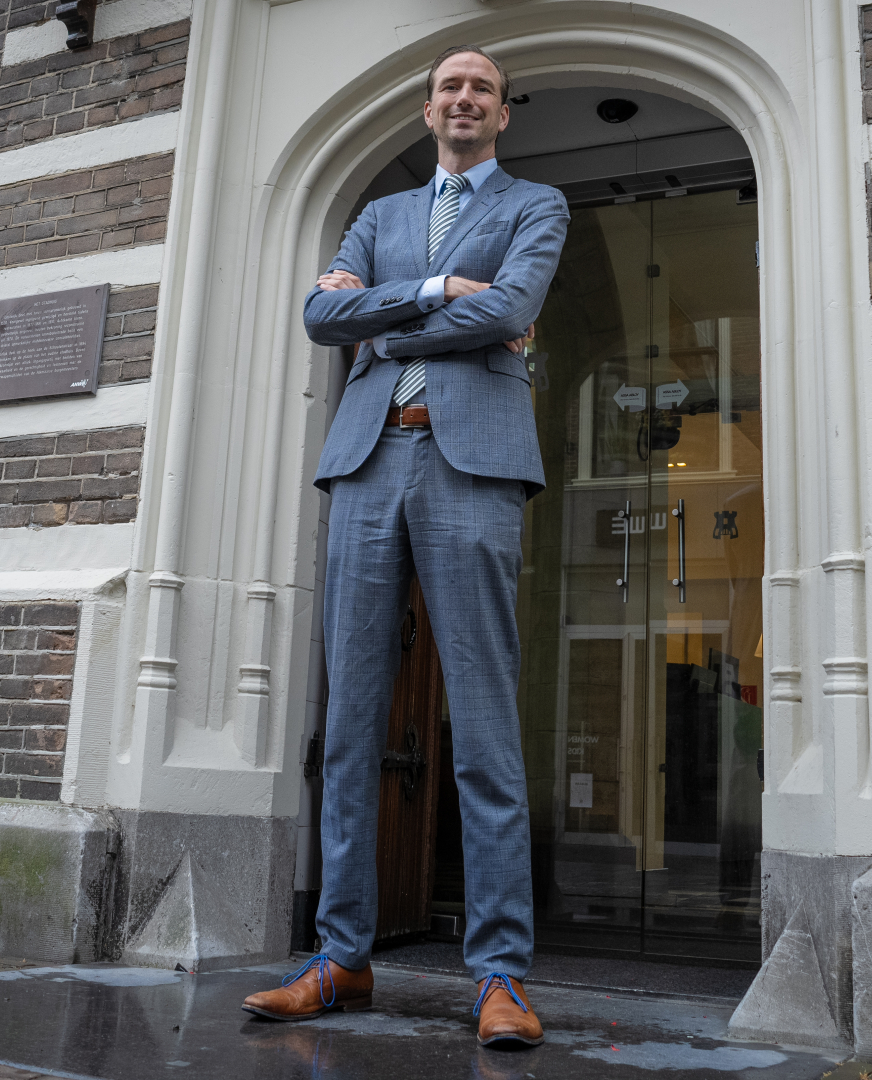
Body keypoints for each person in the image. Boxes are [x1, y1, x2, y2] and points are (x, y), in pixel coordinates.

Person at [239, 45, 568, 1048]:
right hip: (368, 464)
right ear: (428, 111)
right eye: (447, 89)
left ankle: (501, 975)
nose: (463, 99)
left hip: (471, 466)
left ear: (501, 112)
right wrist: (434, 295)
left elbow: (511, 308)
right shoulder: (379, 215)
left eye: (479, 88)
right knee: (350, 722)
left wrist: (383, 325)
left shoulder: (537, 205)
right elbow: (318, 315)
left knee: (481, 719)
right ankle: (340, 956)